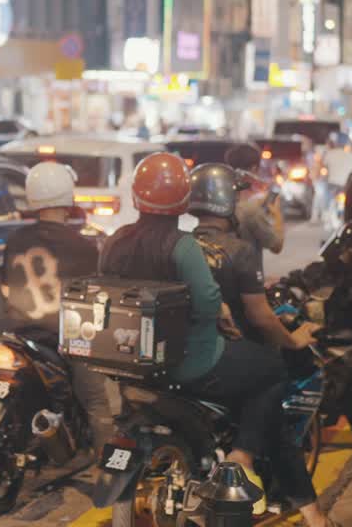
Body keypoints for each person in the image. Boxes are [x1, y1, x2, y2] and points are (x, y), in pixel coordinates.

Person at [99, 154, 323, 523]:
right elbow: (206, 301)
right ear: (182, 200)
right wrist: (222, 317)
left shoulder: (116, 240)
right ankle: (242, 457)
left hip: (129, 361)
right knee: (271, 370)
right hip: (193, 362)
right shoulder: (183, 245)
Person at [186, 163, 332, 526]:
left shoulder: (183, 246)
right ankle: (308, 511)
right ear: (225, 201)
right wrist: (292, 339)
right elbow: (261, 317)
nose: (239, 203)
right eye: (235, 197)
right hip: (229, 357)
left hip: (187, 354)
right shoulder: (238, 250)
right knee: (277, 398)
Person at [0, 162, 113, 452]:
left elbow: (6, 287)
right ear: (67, 197)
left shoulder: (15, 240)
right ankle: (109, 474)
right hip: (67, 339)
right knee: (97, 402)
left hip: (21, 335)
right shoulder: (83, 246)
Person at [225, 144, 284, 259]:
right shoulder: (251, 211)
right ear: (254, 169)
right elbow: (277, 246)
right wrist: (277, 216)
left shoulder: (217, 202)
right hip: (246, 272)